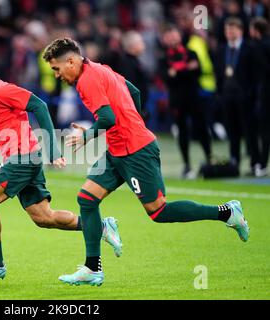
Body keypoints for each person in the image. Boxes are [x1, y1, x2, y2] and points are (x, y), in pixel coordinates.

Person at [42, 38, 250, 286]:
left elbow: (107, 117)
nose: (56, 75)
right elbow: (134, 91)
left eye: (56, 68)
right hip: (118, 149)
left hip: (135, 151)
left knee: (159, 211)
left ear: (71, 61)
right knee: (87, 199)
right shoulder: (101, 68)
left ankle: (227, 213)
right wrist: (134, 121)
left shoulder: (88, 80)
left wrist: (87, 135)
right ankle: (92, 267)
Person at [0, 47, 122, 284]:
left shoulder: (2, 90)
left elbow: (40, 106)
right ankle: (100, 226)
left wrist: (53, 150)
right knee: (44, 218)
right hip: (16, 159)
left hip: (24, 157)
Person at [159, 26, 213, 179]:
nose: (172, 38)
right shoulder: (163, 58)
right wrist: (186, 69)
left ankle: (210, 159)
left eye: (174, 33)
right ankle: (187, 164)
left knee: (202, 128)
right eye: (168, 35)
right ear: (164, 40)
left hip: (194, 98)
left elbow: (198, 71)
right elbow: (167, 78)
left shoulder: (191, 52)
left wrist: (176, 71)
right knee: (182, 132)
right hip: (177, 101)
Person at [215, 17, 259, 176]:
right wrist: (219, 93)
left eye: (233, 30)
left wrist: (251, 94)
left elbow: (254, 74)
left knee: (249, 131)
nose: (230, 33)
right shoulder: (221, 49)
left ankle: (255, 163)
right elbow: (218, 73)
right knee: (232, 131)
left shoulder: (249, 48)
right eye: (227, 30)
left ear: (240, 31)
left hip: (244, 97)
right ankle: (234, 163)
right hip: (227, 96)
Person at [249, 17, 270, 177]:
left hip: (263, 93)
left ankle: (261, 163)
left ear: (255, 31)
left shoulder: (256, 47)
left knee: (263, 130)